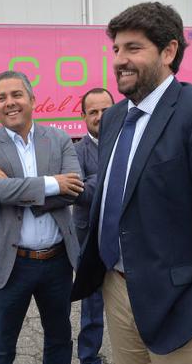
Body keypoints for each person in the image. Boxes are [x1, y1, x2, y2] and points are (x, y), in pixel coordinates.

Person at [71, 2, 192, 364]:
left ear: (169, 51)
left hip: (183, 309)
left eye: (133, 48)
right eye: (116, 49)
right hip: (120, 292)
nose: (119, 60)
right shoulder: (112, 118)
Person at [0, 70, 84, 364]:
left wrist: (14, 188)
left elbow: (74, 189)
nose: (9, 102)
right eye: (1, 98)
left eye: (16, 95)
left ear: (32, 100)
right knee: (2, 343)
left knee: (59, 338)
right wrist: (51, 183)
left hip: (57, 262)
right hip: (11, 263)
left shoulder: (58, 139)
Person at [73, 88, 114, 364]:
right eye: (93, 112)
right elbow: (81, 192)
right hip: (90, 237)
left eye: (106, 110)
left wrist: (93, 178)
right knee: (92, 302)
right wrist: (117, 172)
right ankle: (89, 358)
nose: (100, 117)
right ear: (83, 116)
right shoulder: (74, 150)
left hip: (128, 238)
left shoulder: (129, 142)